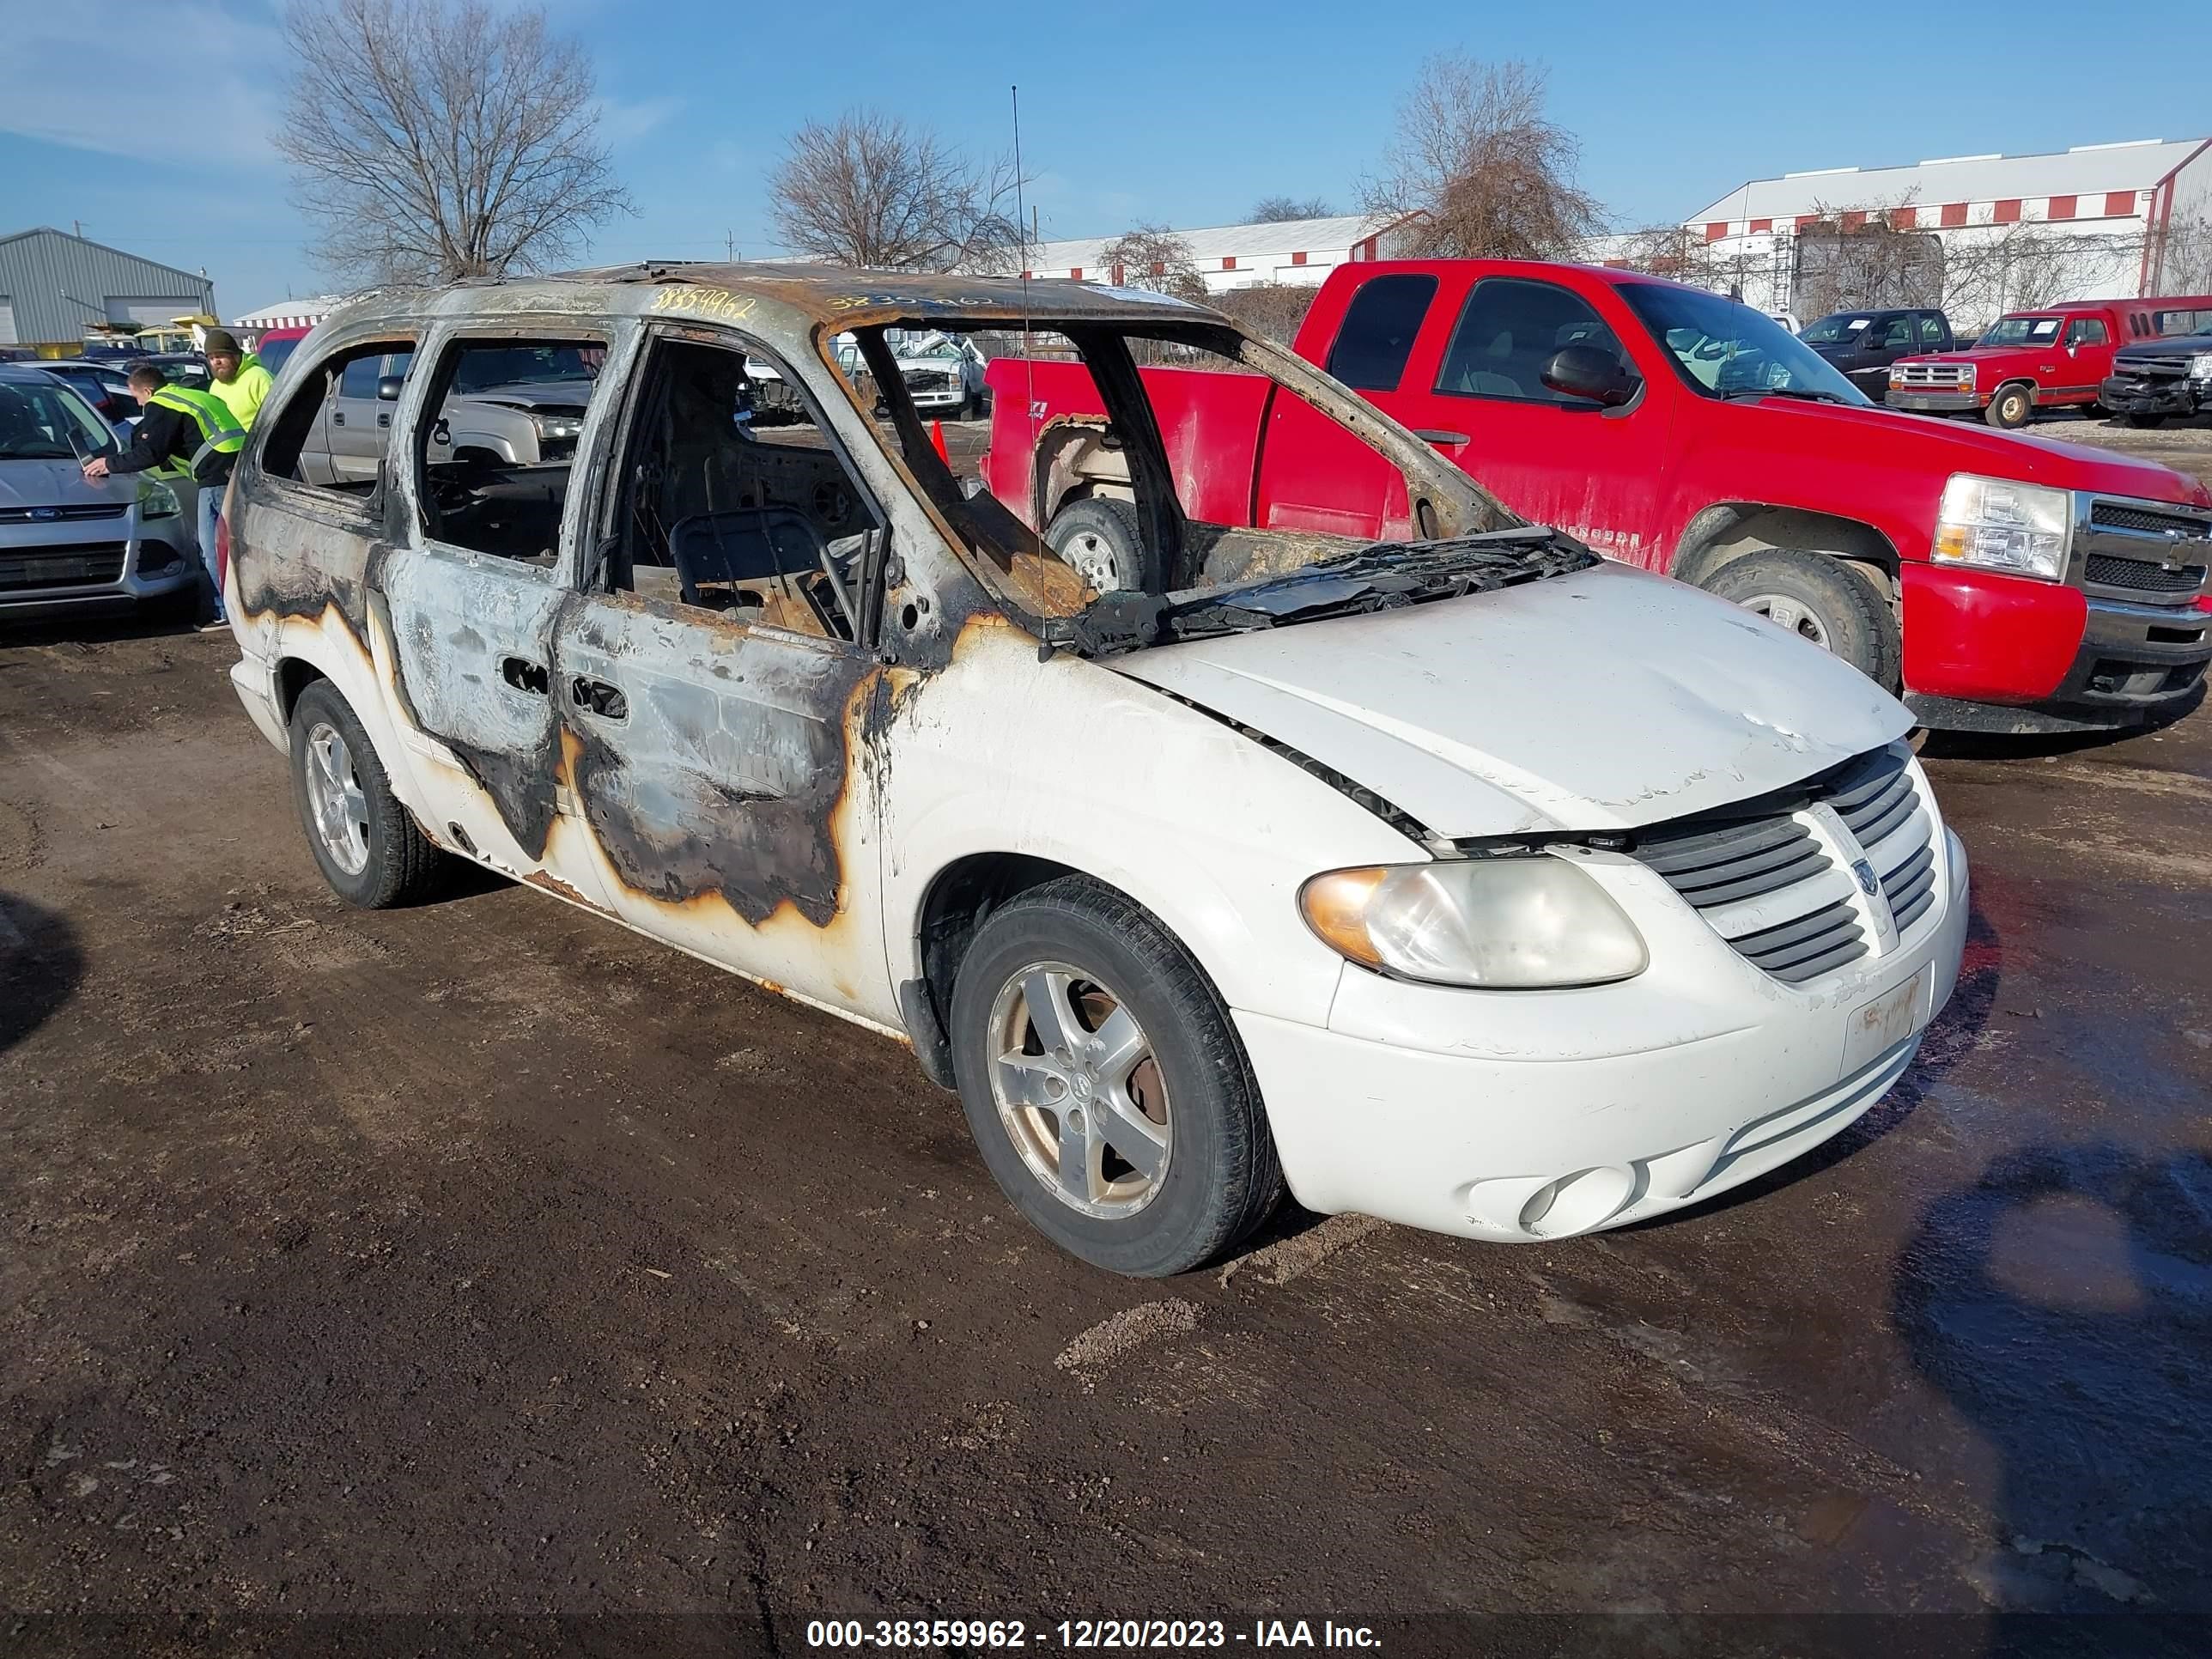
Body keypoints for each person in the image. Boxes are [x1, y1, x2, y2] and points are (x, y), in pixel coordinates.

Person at [82, 363, 245, 628]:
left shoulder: (162, 404)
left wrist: (108, 464)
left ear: (147, 390)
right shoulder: (192, 394)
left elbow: (151, 453)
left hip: (215, 477)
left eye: (136, 397)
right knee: (235, 544)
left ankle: (225, 613)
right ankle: (240, 607)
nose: (137, 403)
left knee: (212, 547)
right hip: (239, 467)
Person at [202, 327, 272, 433]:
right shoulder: (215, 386)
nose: (216, 362)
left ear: (236, 356)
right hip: (232, 448)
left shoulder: (259, 378)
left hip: (258, 446)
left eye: (220, 356)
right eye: (211, 358)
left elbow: (277, 417)